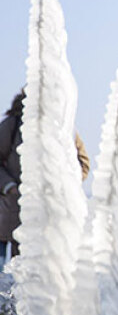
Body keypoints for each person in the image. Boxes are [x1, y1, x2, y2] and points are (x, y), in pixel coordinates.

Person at [0, 89, 91, 259]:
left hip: (53, 213)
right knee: (16, 269)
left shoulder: (64, 129)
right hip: (15, 211)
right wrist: (10, 187)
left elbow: (82, 163)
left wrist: (65, 185)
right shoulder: (13, 125)